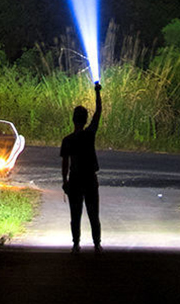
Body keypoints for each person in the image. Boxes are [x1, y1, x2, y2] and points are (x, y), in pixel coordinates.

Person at [60, 81, 102, 253]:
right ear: (85, 120)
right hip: (90, 178)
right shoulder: (89, 135)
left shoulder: (68, 140)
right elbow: (98, 113)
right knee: (93, 214)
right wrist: (97, 92)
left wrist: (65, 181)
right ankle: (97, 244)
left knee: (75, 215)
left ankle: (76, 244)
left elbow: (65, 162)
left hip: (75, 179)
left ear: (73, 119)